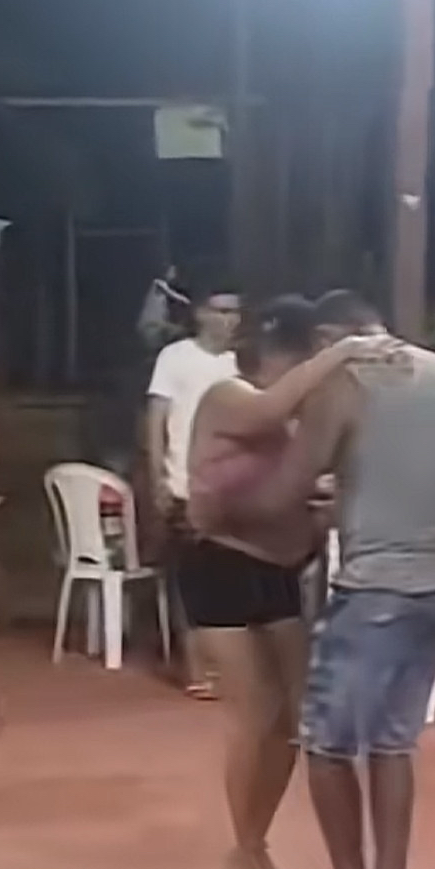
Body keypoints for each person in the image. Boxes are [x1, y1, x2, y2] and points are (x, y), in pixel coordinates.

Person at [225, 288, 435, 869]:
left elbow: (285, 491)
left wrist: (215, 511)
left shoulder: (346, 382)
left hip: (379, 589)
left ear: (332, 339)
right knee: (391, 743)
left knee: (328, 745)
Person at [184, 297, 401, 869]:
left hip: (276, 573)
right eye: (301, 356)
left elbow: (298, 494)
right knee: (255, 711)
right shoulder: (228, 397)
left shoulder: (293, 427)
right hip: (218, 566)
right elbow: (267, 411)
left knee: (293, 718)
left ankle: (256, 849)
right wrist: (344, 351)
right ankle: (244, 856)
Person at [147, 278, 241, 696]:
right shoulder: (175, 358)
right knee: (188, 580)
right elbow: (155, 420)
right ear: (201, 313)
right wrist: (157, 477)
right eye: (222, 310)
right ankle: (195, 667)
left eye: (235, 311)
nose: (230, 319)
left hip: (233, 488)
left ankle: (227, 666)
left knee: (230, 581)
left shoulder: (241, 363)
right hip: (184, 484)